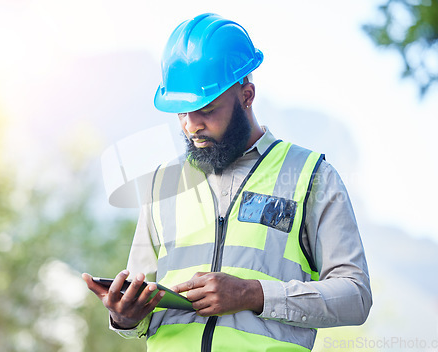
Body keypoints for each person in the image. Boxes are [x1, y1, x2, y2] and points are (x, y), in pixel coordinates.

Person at [83, 13, 372, 352]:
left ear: (247, 95)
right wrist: (125, 316)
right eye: (181, 112)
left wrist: (252, 293)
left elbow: (355, 296)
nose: (191, 126)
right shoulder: (162, 183)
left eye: (205, 109)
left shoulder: (312, 176)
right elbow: (141, 304)